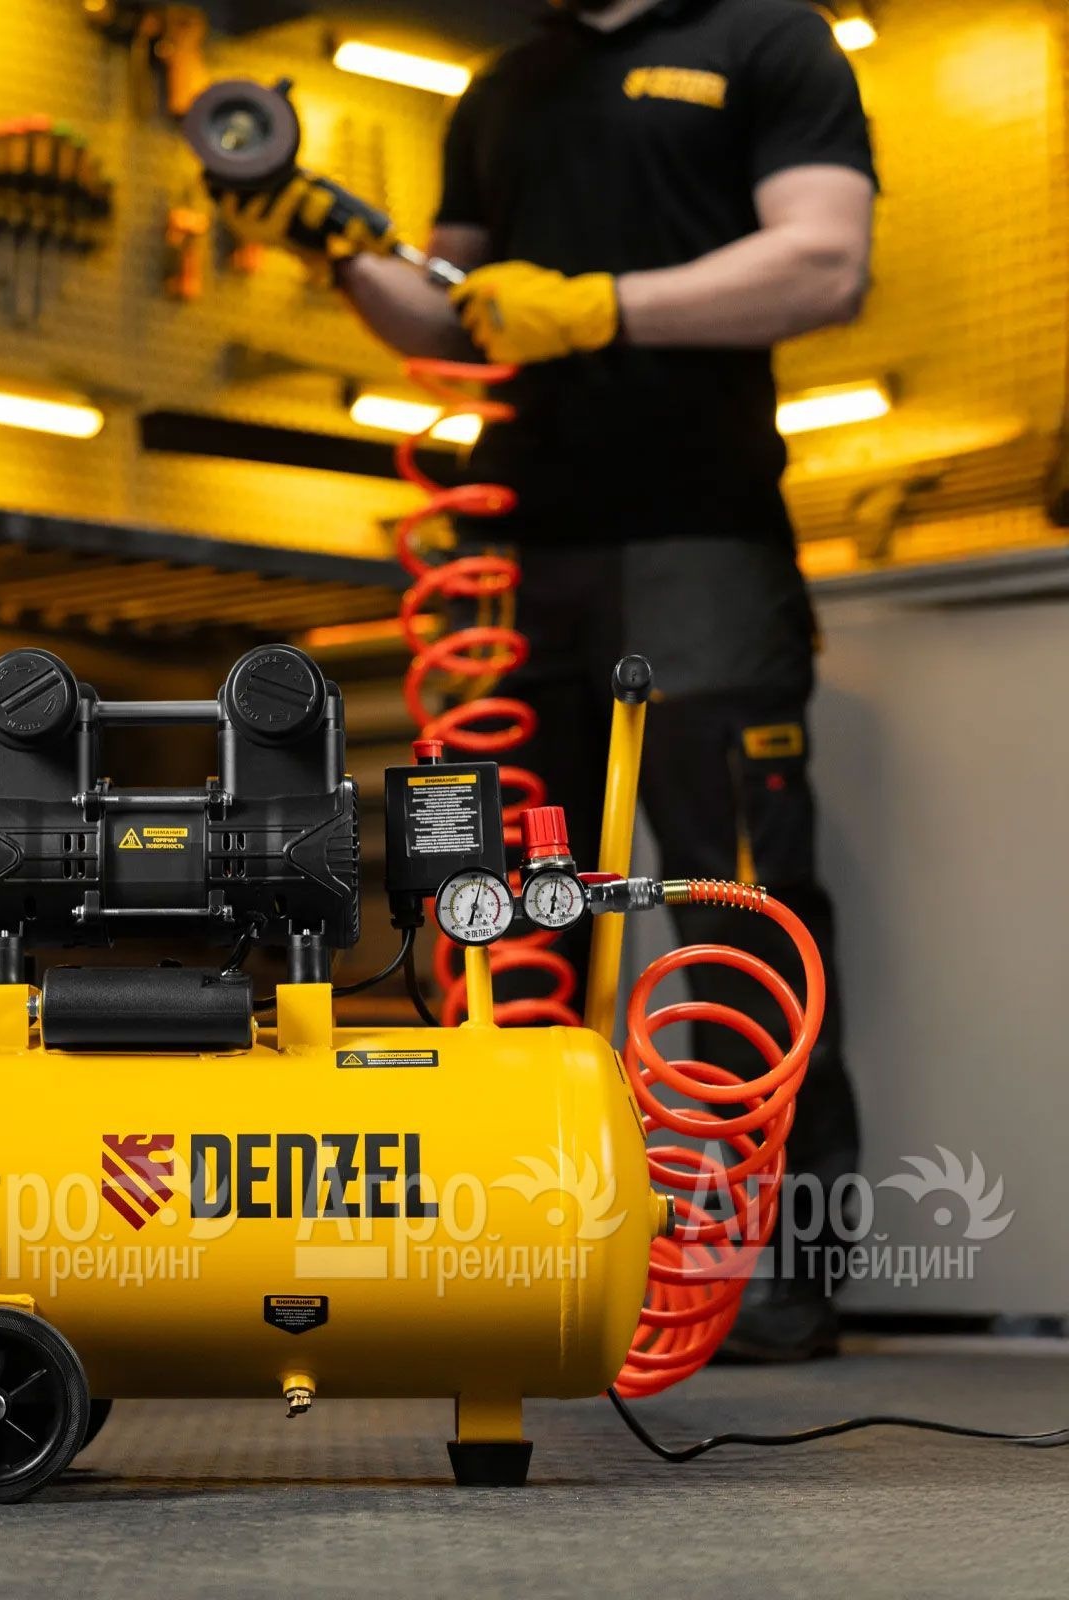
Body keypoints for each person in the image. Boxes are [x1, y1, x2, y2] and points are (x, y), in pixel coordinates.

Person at [220, 0, 877, 1360]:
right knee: (510, 903)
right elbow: (452, 315)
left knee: (736, 899)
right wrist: (329, 235)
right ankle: (536, 1247)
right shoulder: (504, 87)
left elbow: (826, 263)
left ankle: (777, 1267)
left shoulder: (766, 40)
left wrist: (600, 307)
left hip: (701, 536)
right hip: (521, 547)